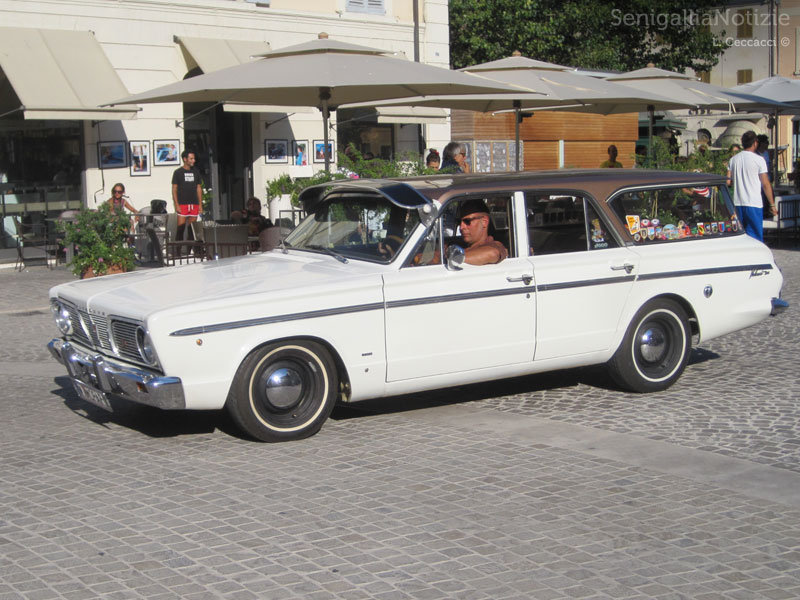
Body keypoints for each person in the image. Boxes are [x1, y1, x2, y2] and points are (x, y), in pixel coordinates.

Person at [727, 130, 776, 242]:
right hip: (753, 203)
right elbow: (765, 183)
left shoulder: (733, 160)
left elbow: (728, 182)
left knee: (740, 236)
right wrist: (772, 204)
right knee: (755, 238)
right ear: (755, 143)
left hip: (738, 203)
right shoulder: (759, 160)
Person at [456, 199, 507, 265]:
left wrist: (455, 257)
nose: (461, 227)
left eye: (467, 221)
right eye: (459, 222)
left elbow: (493, 253)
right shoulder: (459, 243)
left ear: (484, 222)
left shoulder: (494, 245)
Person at [171, 150, 203, 248]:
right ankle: (178, 251)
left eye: (194, 158)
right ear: (185, 159)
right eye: (191, 158)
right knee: (180, 229)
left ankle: (190, 251)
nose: (193, 160)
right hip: (182, 204)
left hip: (194, 203)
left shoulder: (196, 171)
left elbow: (198, 188)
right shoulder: (178, 172)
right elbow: (174, 189)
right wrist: (176, 204)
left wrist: (200, 204)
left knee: (192, 229)